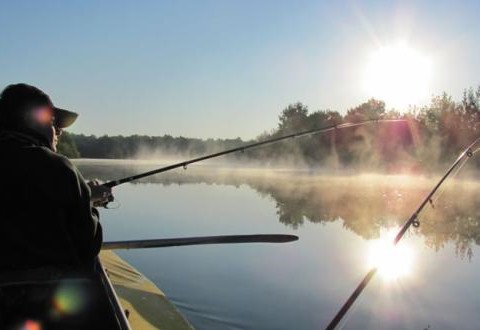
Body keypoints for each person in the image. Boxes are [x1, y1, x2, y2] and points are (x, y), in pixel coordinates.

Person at [0, 83, 112, 272]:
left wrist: (84, 195)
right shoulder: (57, 167)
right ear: (31, 121)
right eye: (52, 122)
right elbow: (88, 245)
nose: (59, 132)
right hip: (43, 293)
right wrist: (88, 204)